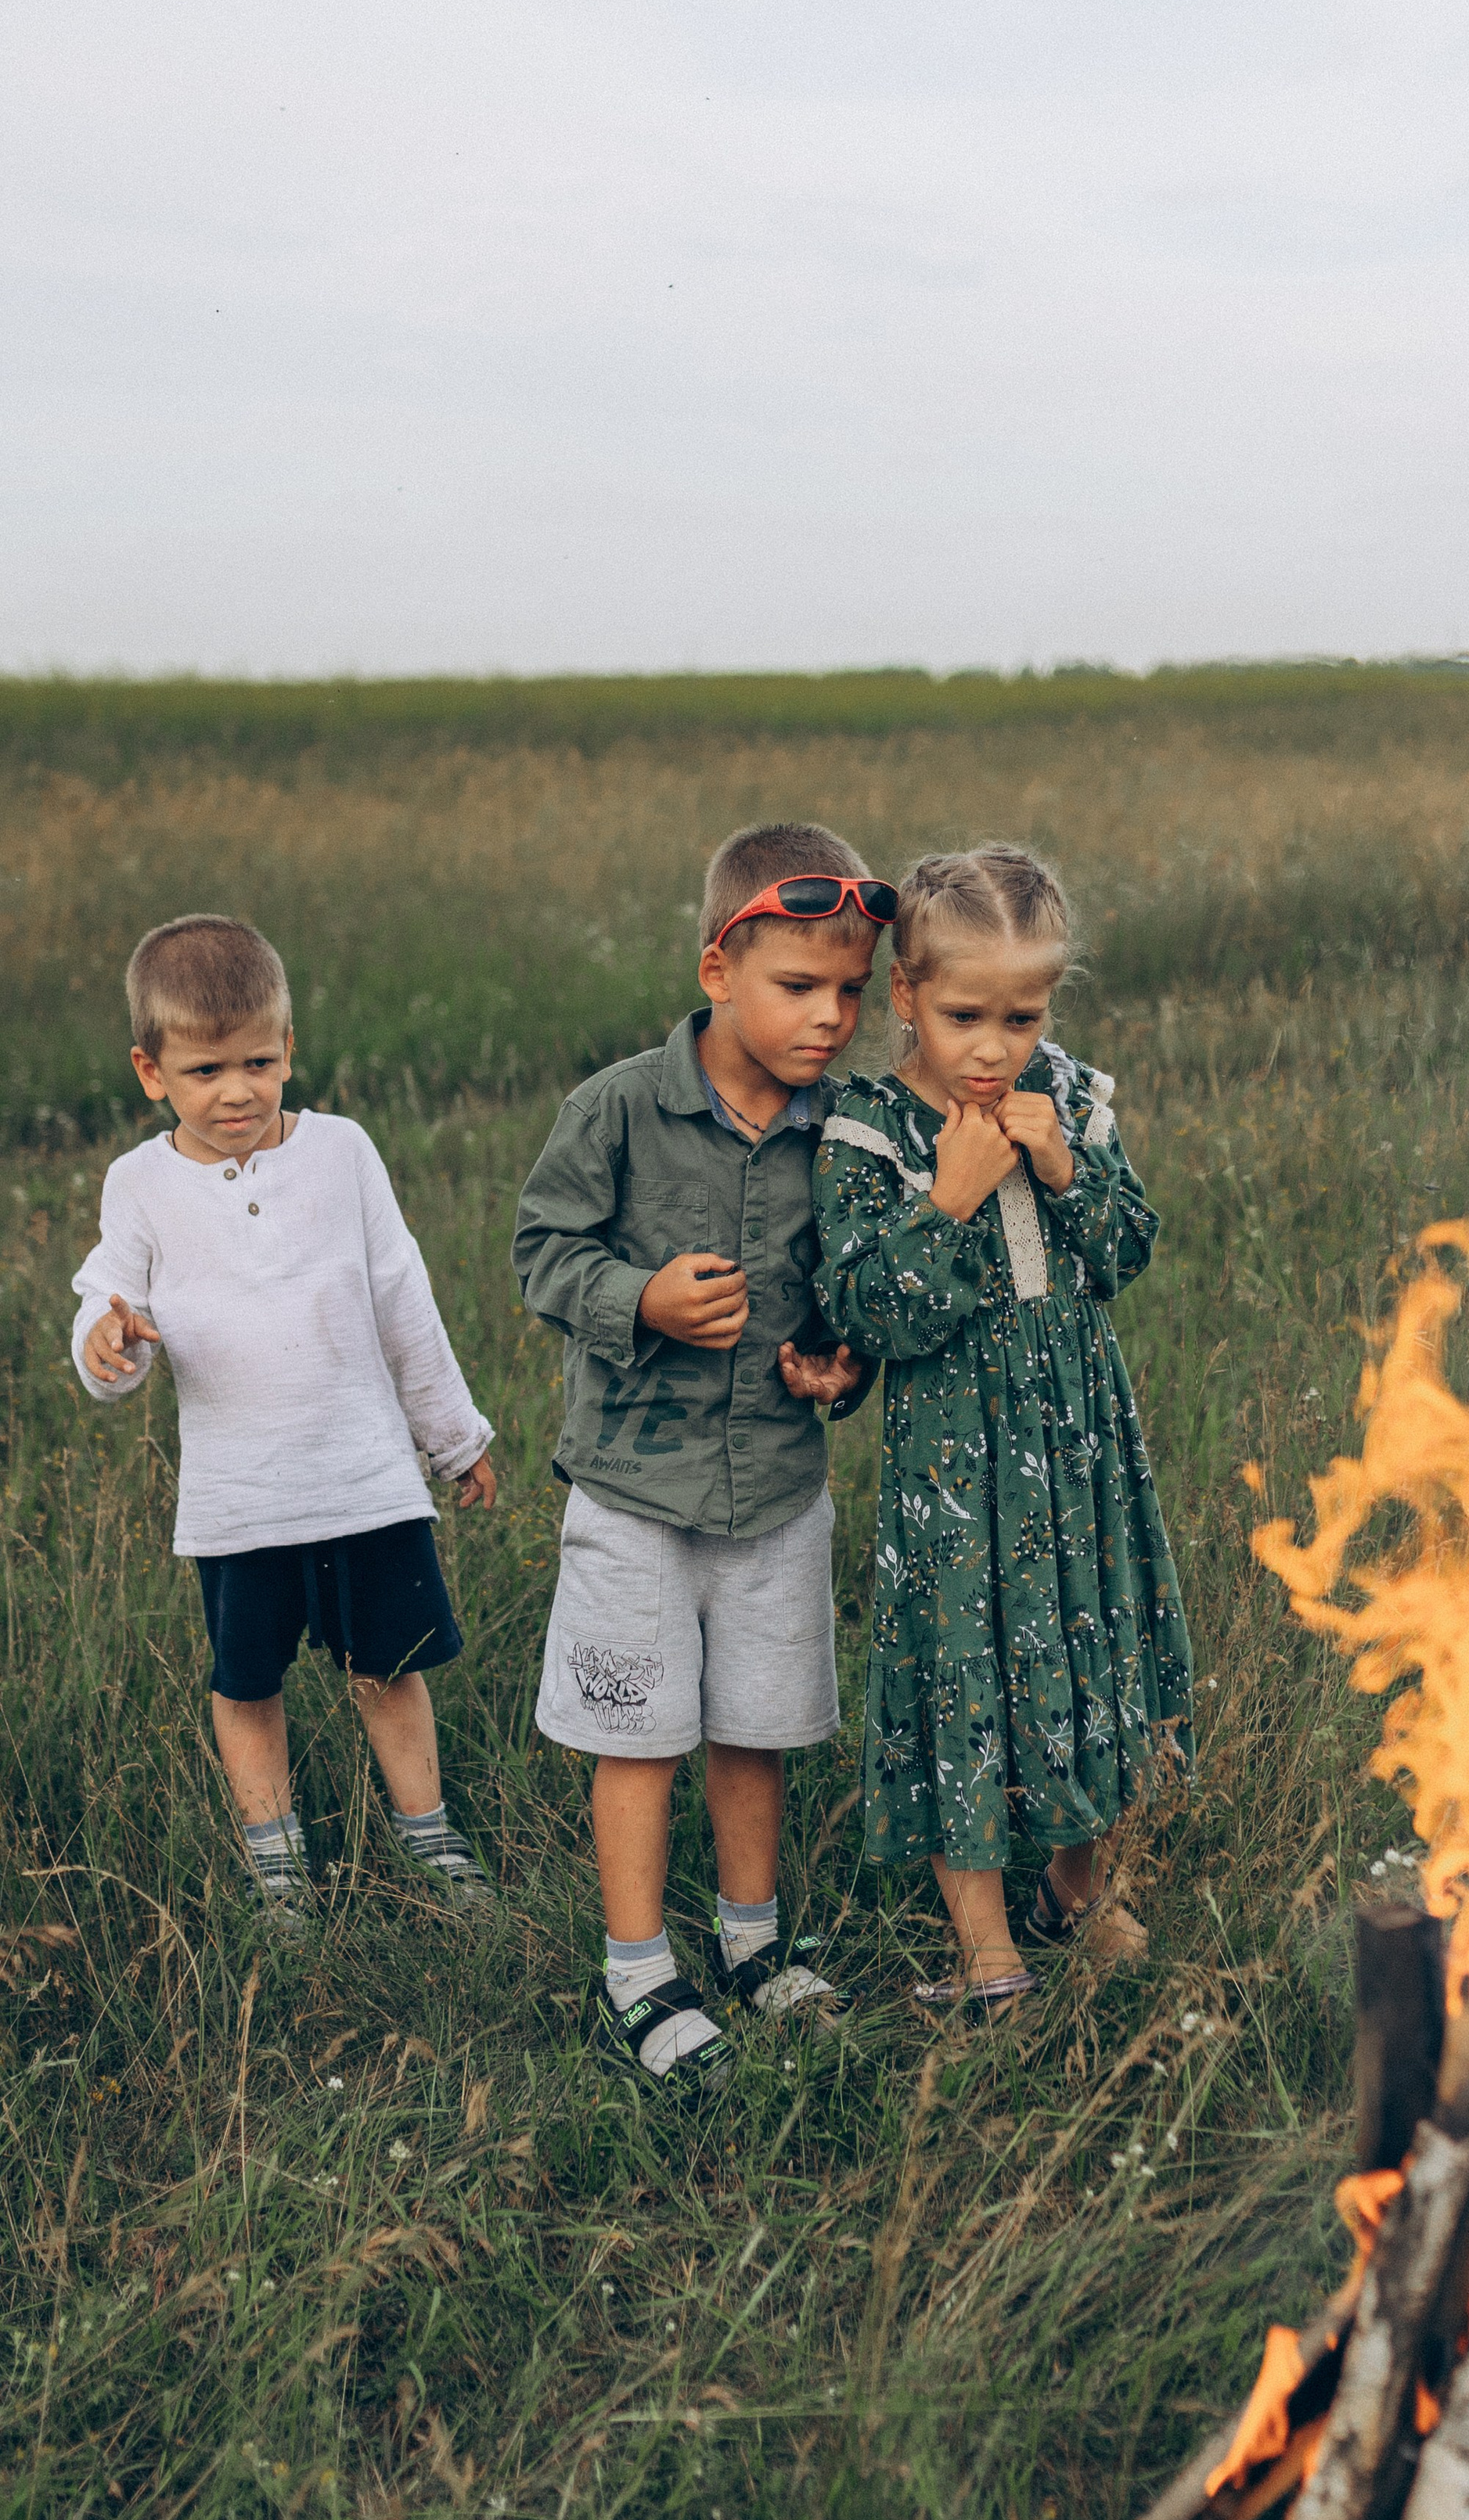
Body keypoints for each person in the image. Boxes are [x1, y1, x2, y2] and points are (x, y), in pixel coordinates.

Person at [513, 821, 893, 2098]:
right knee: (640, 1735)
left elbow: (848, 1298)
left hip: (778, 1492)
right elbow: (541, 1252)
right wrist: (643, 1299)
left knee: (756, 1724)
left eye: (851, 989)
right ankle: (635, 1969)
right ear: (717, 971)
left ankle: (752, 1942)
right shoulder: (620, 1107)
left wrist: (840, 1367)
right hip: (636, 1492)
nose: (831, 1016)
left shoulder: (846, 1131)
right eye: (799, 985)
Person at [812, 844, 1194, 2011]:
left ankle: (1075, 1889)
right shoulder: (869, 1126)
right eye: (965, 1016)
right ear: (907, 996)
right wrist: (951, 1198)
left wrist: (1066, 1167)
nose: (993, 1047)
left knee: (1091, 1651)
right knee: (963, 1675)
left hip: (1078, 1444)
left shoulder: (1063, 1096)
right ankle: (985, 1948)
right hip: (956, 1466)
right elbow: (865, 1309)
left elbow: (1127, 1251)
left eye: (1022, 1018)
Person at [72, 914, 499, 1927]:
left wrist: (455, 1438)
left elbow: (403, 1299)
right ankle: (279, 1870)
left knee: (389, 1669)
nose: (237, 1091)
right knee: (247, 1685)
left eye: (259, 1062)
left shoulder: (342, 1152)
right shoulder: (140, 1185)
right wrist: (109, 1340)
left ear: (290, 1049)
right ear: (151, 1071)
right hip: (241, 1501)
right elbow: (107, 1300)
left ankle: (429, 1836)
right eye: (206, 1069)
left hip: (364, 1482)